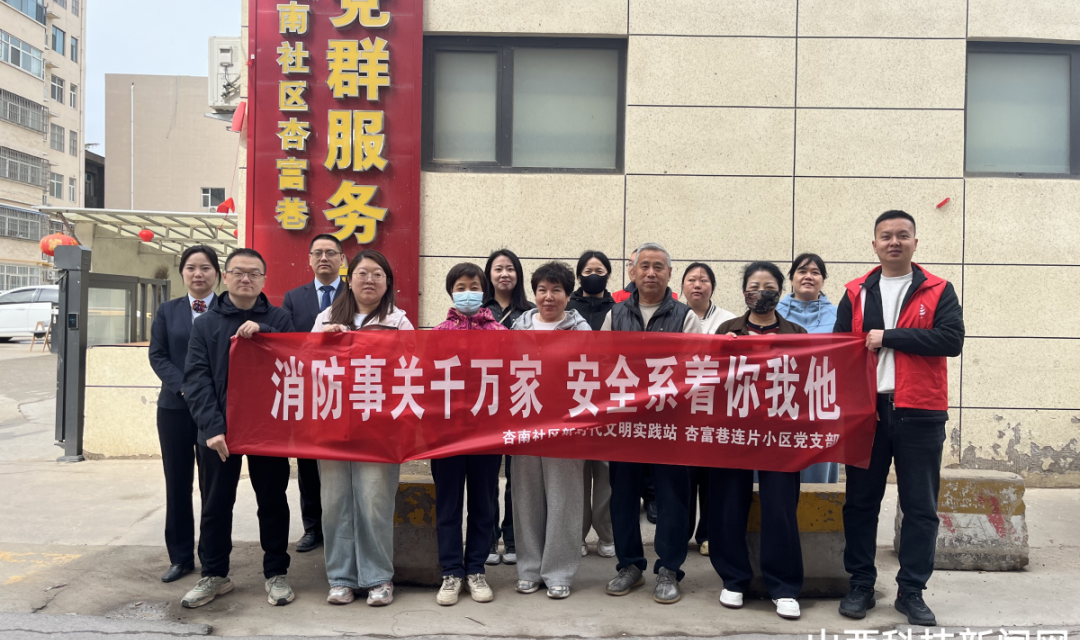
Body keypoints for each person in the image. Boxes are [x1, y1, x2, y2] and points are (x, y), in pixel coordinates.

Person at [835, 211, 964, 626]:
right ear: (874, 244)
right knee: (860, 504)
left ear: (915, 242)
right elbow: (837, 349)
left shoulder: (938, 289)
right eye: (886, 236)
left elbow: (951, 339)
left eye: (902, 235)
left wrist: (888, 337)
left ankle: (912, 591)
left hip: (920, 412)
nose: (894, 242)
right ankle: (860, 584)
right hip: (866, 413)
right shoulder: (855, 292)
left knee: (920, 508)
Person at [180, 248, 296, 609]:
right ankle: (214, 575)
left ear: (264, 279)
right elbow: (196, 379)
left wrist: (267, 333)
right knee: (216, 504)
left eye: (254, 273)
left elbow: (297, 361)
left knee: (273, 502)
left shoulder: (280, 318)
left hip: (267, 430)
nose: (246, 279)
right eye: (239, 272)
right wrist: (212, 428)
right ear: (225, 277)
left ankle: (276, 573)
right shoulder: (206, 324)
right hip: (219, 433)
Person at [601, 243, 702, 605]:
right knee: (623, 496)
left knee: (673, 497)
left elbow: (694, 369)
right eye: (644, 266)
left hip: (669, 421)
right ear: (632, 272)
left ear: (669, 274)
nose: (651, 273)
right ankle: (629, 565)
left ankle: (669, 568)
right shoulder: (615, 314)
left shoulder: (685, 316)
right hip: (626, 422)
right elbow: (601, 363)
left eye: (659, 267)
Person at [311, 250, 414, 607]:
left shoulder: (399, 322)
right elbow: (305, 365)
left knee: (374, 502)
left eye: (377, 274)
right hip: (332, 425)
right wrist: (323, 342)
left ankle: (378, 577)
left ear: (388, 283)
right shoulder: (326, 318)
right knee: (335, 502)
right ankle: (340, 578)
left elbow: (412, 368)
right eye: (362, 273)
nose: (369, 280)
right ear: (349, 279)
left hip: (379, 429)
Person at [711, 261, 807, 621]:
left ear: (780, 292)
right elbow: (708, 381)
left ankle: (783, 587)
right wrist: (726, 351)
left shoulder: (797, 334)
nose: (761, 293)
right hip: (733, 431)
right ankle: (733, 579)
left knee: (780, 506)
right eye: (754, 286)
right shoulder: (727, 330)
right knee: (728, 504)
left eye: (769, 287)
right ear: (744, 292)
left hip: (780, 434)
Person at [509, 261, 590, 599]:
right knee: (526, 497)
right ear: (534, 293)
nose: (548, 296)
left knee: (564, 499)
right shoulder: (517, 328)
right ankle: (529, 569)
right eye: (542, 289)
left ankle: (559, 571)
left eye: (556, 290)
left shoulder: (582, 332)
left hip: (565, 429)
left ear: (568, 295)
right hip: (525, 423)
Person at [432, 263, 506, 606]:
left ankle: (476, 569)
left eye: (474, 286)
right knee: (447, 506)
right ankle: (451, 572)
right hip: (446, 435)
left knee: (482, 505)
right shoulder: (437, 334)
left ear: (484, 290)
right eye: (460, 287)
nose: (467, 293)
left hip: (485, 434)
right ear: (451, 292)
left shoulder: (500, 333)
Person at [148, 245, 219, 583]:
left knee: (212, 486)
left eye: (205, 268)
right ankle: (180, 557)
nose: (198, 274)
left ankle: (212, 556)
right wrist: (185, 387)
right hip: (175, 408)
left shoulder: (227, 309)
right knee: (177, 483)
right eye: (191, 268)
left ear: (217, 273)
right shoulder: (168, 310)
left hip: (214, 411)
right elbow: (158, 355)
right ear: (182, 274)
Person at [281, 234, 347, 554]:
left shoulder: (356, 294)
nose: (324, 258)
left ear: (342, 259)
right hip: (309, 393)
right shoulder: (294, 298)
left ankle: (342, 527)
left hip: (347, 394)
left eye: (331, 253)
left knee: (343, 464)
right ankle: (312, 528)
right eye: (318, 253)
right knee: (308, 464)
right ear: (309, 259)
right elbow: (287, 342)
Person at [679, 262, 737, 556]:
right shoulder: (674, 317)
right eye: (691, 279)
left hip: (717, 410)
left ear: (712, 286)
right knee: (684, 476)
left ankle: (708, 534)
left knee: (712, 477)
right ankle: (681, 532)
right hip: (683, 410)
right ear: (682, 286)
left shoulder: (729, 321)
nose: (697, 285)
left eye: (703, 280)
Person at [482, 249, 534, 566]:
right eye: (498, 268)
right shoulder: (478, 311)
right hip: (487, 401)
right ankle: (489, 539)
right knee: (488, 474)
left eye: (510, 268)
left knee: (519, 476)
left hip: (521, 399)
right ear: (489, 274)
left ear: (518, 274)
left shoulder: (530, 312)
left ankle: (514, 539)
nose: (505, 274)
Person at [565, 250, 616, 559]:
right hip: (574, 400)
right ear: (578, 275)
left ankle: (607, 534)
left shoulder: (618, 310)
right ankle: (578, 534)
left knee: (606, 473)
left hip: (609, 401)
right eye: (587, 271)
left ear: (608, 274)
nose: (593, 275)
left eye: (599, 270)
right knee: (577, 474)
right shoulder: (568, 310)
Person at [776, 253, 840, 484]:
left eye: (815, 272)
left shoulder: (839, 316)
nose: (808, 277)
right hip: (779, 401)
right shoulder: (773, 313)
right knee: (776, 470)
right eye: (802, 271)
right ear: (791, 278)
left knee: (817, 472)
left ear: (823, 280)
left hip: (820, 404)